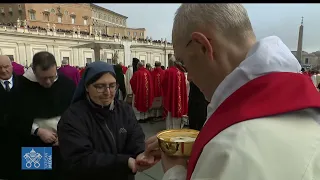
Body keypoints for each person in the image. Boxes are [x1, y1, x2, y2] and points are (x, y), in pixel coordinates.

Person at [142, 4, 320, 180]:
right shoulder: (307, 107)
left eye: (184, 63)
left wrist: (175, 171)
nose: (188, 77)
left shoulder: (229, 148)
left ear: (203, 46)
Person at [57, 61, 155, 180]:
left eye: (112, 86)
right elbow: (80, 159)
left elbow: (136, 136)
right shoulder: (73, 117)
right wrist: (124, 162)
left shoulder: (125, 110)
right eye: (100, 86)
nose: (107, 92)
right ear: (87, 87)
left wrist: (140, 154)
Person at [8, 51, 76, 180]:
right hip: (35, 145)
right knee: (39, 176)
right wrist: (38, 131)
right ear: (34, 71)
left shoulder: (66, 84)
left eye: (52, 76)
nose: (49, 82)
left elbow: (75, 112)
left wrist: (65, 135)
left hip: (63, 142)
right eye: (43, 78)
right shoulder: (21, 86)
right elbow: (14, 117)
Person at [0, 55, 22, 179]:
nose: (3, 71)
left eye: (6, 67)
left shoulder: (25, 84)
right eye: (0, 68)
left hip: (24, 138)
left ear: (12, 66)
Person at [162, 56, 188, 129]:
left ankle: (169, 130)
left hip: (170, 97)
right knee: (178, 110)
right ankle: (177, 130)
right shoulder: (181, 73)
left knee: (169, 116)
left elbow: (163, 84)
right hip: (179, 98)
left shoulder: (167, 72)